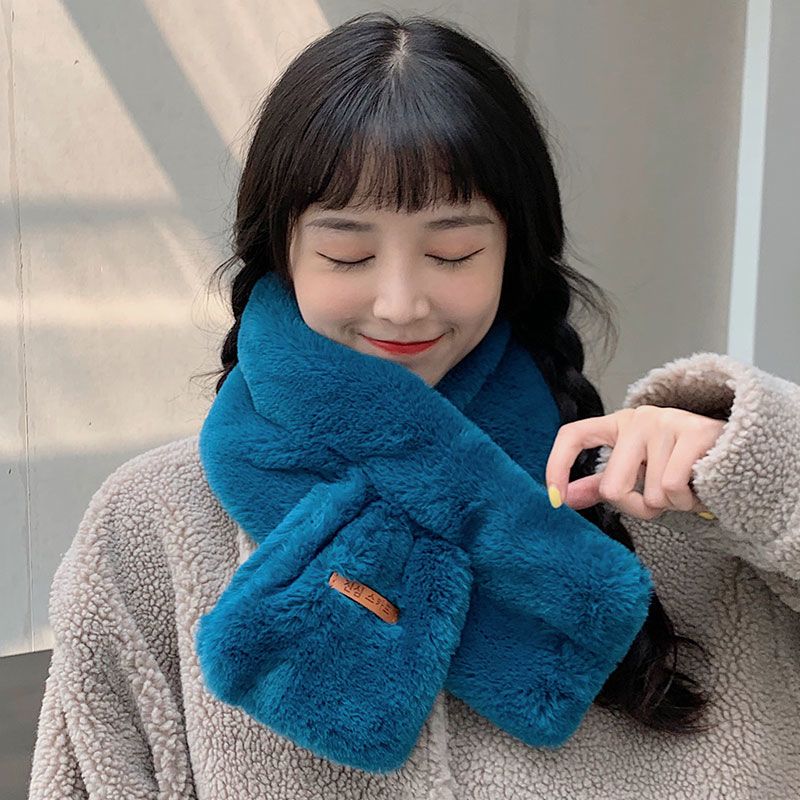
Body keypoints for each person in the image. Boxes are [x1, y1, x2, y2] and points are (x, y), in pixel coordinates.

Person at [28, 11, 800, 799]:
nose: (400, 304)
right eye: (348, 254)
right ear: (282, 253)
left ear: (514, 251)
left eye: (451, 252)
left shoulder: (663, 499)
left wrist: (761, 470)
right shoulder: (151, 525)